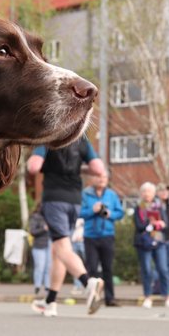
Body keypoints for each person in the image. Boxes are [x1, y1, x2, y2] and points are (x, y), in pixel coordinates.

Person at [25, 135, 107, 316]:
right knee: (58, 251)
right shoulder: (81, 140)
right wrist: (80, 167)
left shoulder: (48, 138)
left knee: (61, 248)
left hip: (54, 199)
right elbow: (99, 169)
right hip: (75, 200)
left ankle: (88, 283)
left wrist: (35, 158)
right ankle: (50, 301)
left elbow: (33, 167)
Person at [79, 171, 124, 307]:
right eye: (99, 177)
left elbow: (120, 212)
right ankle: (93, 298)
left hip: (107, 235)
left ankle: (110, 298)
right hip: (90, 236)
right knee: (91, 268)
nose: (101, 179)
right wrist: (92, 210)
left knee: (108, 268)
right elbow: (78, 212)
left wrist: (110, 214)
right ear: (92, 178)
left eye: (104, 177)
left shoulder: (111, 194)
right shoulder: (85, 194)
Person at [133, 183, 164, 309]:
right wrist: (150, 224)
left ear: (153, 193)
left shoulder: (159, 207)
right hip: (143, 242)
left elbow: (164, 223)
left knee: (163, 268)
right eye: (144, 191)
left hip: (158, 240)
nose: (147, 194)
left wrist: (159, 224)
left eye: (149, 191)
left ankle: (166, 296)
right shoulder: (138, 208)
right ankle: (147, 296)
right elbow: (139, 226)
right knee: (146, 269)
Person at [28, 203, 51, 299]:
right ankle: (37, 286)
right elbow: (32, 231)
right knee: (40, 267)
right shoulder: (35, 217)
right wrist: (43, 229)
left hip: (49, 245)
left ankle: (47, 287)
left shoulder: (50, 217)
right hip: (39, 246)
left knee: (48, 267)